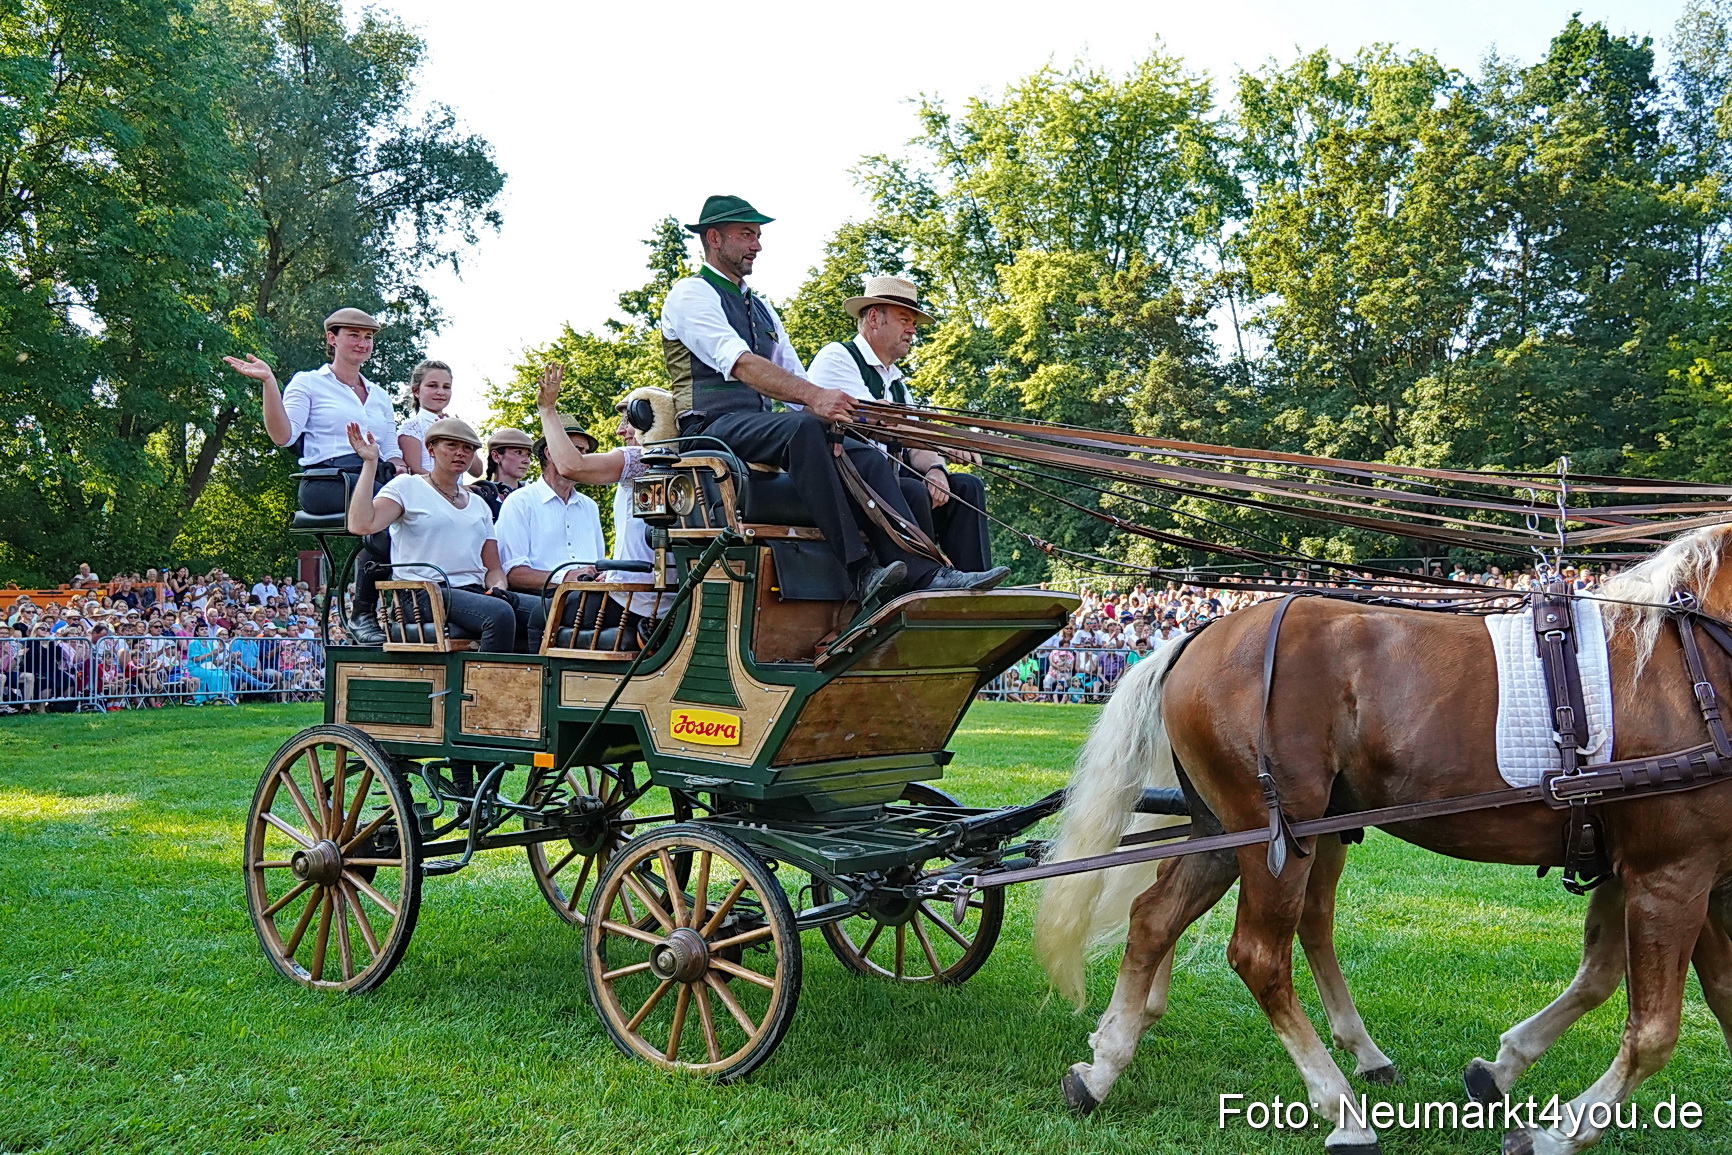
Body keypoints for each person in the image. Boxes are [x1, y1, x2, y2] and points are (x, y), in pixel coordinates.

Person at [660, 194, 1005, 602]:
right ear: (714, 238)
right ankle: (859, 569)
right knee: (806, 427)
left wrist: (842, 417)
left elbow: (797, 381)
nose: (757, 245)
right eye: (747, 235)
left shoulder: (764, 309)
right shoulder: (690, 294)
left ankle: (925, 576)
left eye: (757, 235)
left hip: (761, 429)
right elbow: (741, 364)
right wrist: (817, 401)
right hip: (711, 429)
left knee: (858, 447)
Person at [223, 307, 403, 645]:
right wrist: (269, 383)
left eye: (368, 337)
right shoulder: (308, 382)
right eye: (354, 335)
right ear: (332, 339)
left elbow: (391, 449)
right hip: (329, 481)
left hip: (376, 478)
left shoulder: (379, 395)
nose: (362, 343)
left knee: (418, 517)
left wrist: (406, 475)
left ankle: (408, 611)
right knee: (384, 519)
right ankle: (366, 614)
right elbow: (284, 436)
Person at [805, 275, 995, 572]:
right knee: (912, 490)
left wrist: (935, 469)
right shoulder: (838, 357)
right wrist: (943, 441)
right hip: (844, 490)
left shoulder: (896, 383)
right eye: (905, 319)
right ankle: (922, 584)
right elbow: (881, 422)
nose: (912, 330)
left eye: (914, 323)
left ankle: (974, 583)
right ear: (873, 318)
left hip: (886, 486)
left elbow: (915, 439)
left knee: (966, 487)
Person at [343, 416, 517, 652]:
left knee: (542, 611)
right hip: (422, 593)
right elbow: (361, 525)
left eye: (468, 448)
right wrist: (370, 463)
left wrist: (498, 588)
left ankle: (535, 685)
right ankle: (487, 689)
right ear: (431, 449)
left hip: (470, 591)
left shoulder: (479, 504)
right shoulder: (407, 486)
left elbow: (493, 567)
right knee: (499, 614)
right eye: (452, 445)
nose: (460, 453)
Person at [533, 375, 679, 633]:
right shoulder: (685, 462)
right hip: (666, 603)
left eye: (629, 420)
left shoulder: (640, 459)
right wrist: (613, 572)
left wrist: (548, 409)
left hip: (633, 602)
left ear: (651, 421)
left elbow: (570, 466)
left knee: (537, 617)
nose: (619, 430)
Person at [494, 403, 607, 649]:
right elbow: (513, 573)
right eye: (576, 450)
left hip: (588, 596)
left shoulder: (589, 506)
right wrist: (567, 577)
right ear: (549, 452)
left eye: (584, 453)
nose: (581, 459)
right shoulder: (520, 502)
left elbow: (598, 564)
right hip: (543, 597)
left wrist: (603, 575)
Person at [396, 359, 485, 479]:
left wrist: (461, 433)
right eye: (433, 386)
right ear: (416, 391)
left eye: (446, 387)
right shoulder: (412, 428)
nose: (441, 392)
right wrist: (451, 487)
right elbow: (415, 471)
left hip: (458, 495)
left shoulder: (457, 426)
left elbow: (477, 471)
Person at [470, 426, 535, 520]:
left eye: (528, 455)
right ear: (496, 456)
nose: (526, 461)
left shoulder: (534, 494)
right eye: (518, 452)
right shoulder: (479, 495)